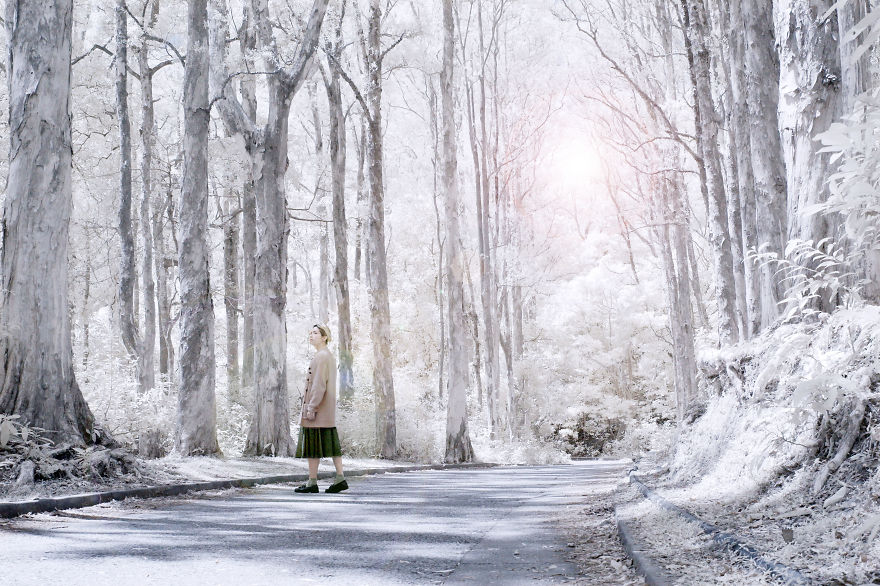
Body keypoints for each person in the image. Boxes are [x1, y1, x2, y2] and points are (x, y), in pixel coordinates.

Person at [294, 324, 348, 494]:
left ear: (324, 337)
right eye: (310, 333)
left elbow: (319, 385)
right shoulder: (325, 355)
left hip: (318, 409)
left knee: (313, 444)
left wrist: (311, 407)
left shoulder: (322, 356)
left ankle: (313, 482)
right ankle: (338, 478)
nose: (311, 335)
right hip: (326, 410)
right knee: (329, 443)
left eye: (316, 333)